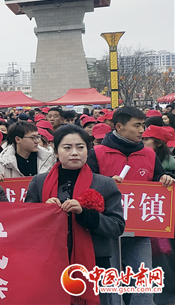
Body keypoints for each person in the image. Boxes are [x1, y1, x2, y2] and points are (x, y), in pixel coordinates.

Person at [26, 125, 124, 305]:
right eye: (67, 147)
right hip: (49, 261)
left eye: (80, 147)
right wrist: (43, 212)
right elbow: (26, 225)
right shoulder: (39, 182)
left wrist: (85, 214)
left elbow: (116, 226)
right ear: (56, 152)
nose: (74, 153)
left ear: (88, 150)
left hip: (94, 262)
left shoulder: (104, 184)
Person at [87, 106, 174, 305]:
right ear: (119, 127)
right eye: (137, 125)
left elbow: (158, 178)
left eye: (143, 125)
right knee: (110, 282)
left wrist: (165, 178)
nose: (142, 130)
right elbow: (86, 185)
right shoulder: (97, 153)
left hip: (140, 229)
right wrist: (106, 183)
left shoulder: (149, 154)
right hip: (108, 228)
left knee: (144, 279)